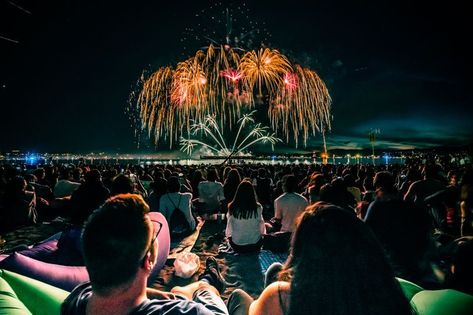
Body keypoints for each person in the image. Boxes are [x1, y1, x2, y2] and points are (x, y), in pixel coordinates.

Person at [227, 202, 412, 315]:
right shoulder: (388, 294)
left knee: (238, 296)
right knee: (275, 270)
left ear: (303, 249)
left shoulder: (282, 297)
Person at [61, 193, 229, 315]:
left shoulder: (76, 297)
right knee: (229, 294)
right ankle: (207, 281)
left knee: (178, 290)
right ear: (149, 261)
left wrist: (152, 292)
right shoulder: (191, 312)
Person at [225, 181, 265, 253]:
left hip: (237, 246)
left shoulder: (232, 207)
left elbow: (229, 229)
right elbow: (261, 226)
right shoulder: (258, 207)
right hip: (255, 245)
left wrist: (228, 236)